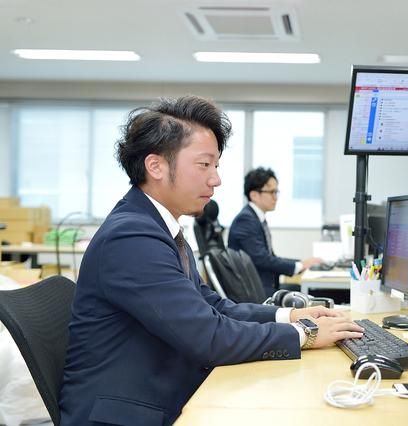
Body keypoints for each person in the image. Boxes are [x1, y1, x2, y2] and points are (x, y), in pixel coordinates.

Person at [58, 96, 363, 426]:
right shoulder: (132, 237)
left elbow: (214, 307)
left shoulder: (159, 226)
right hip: (128, 415)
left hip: (160, 392)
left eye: (216, 166)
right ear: (156, 166)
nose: (216, 179)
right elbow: (209, 337)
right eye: (204, 165)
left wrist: (290, 315)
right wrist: (305, 334)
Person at [228, 167, 322, 297]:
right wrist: (299, 265)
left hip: (263, 286)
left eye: (276, 192)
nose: (275, 197)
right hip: (255, 292)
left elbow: (269, 257)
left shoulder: (256, 218)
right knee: (313, 293)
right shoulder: (245, 220)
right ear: (254, 195)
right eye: (271, 192)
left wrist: (301, 264)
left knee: (310, 292)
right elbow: (262, 259)